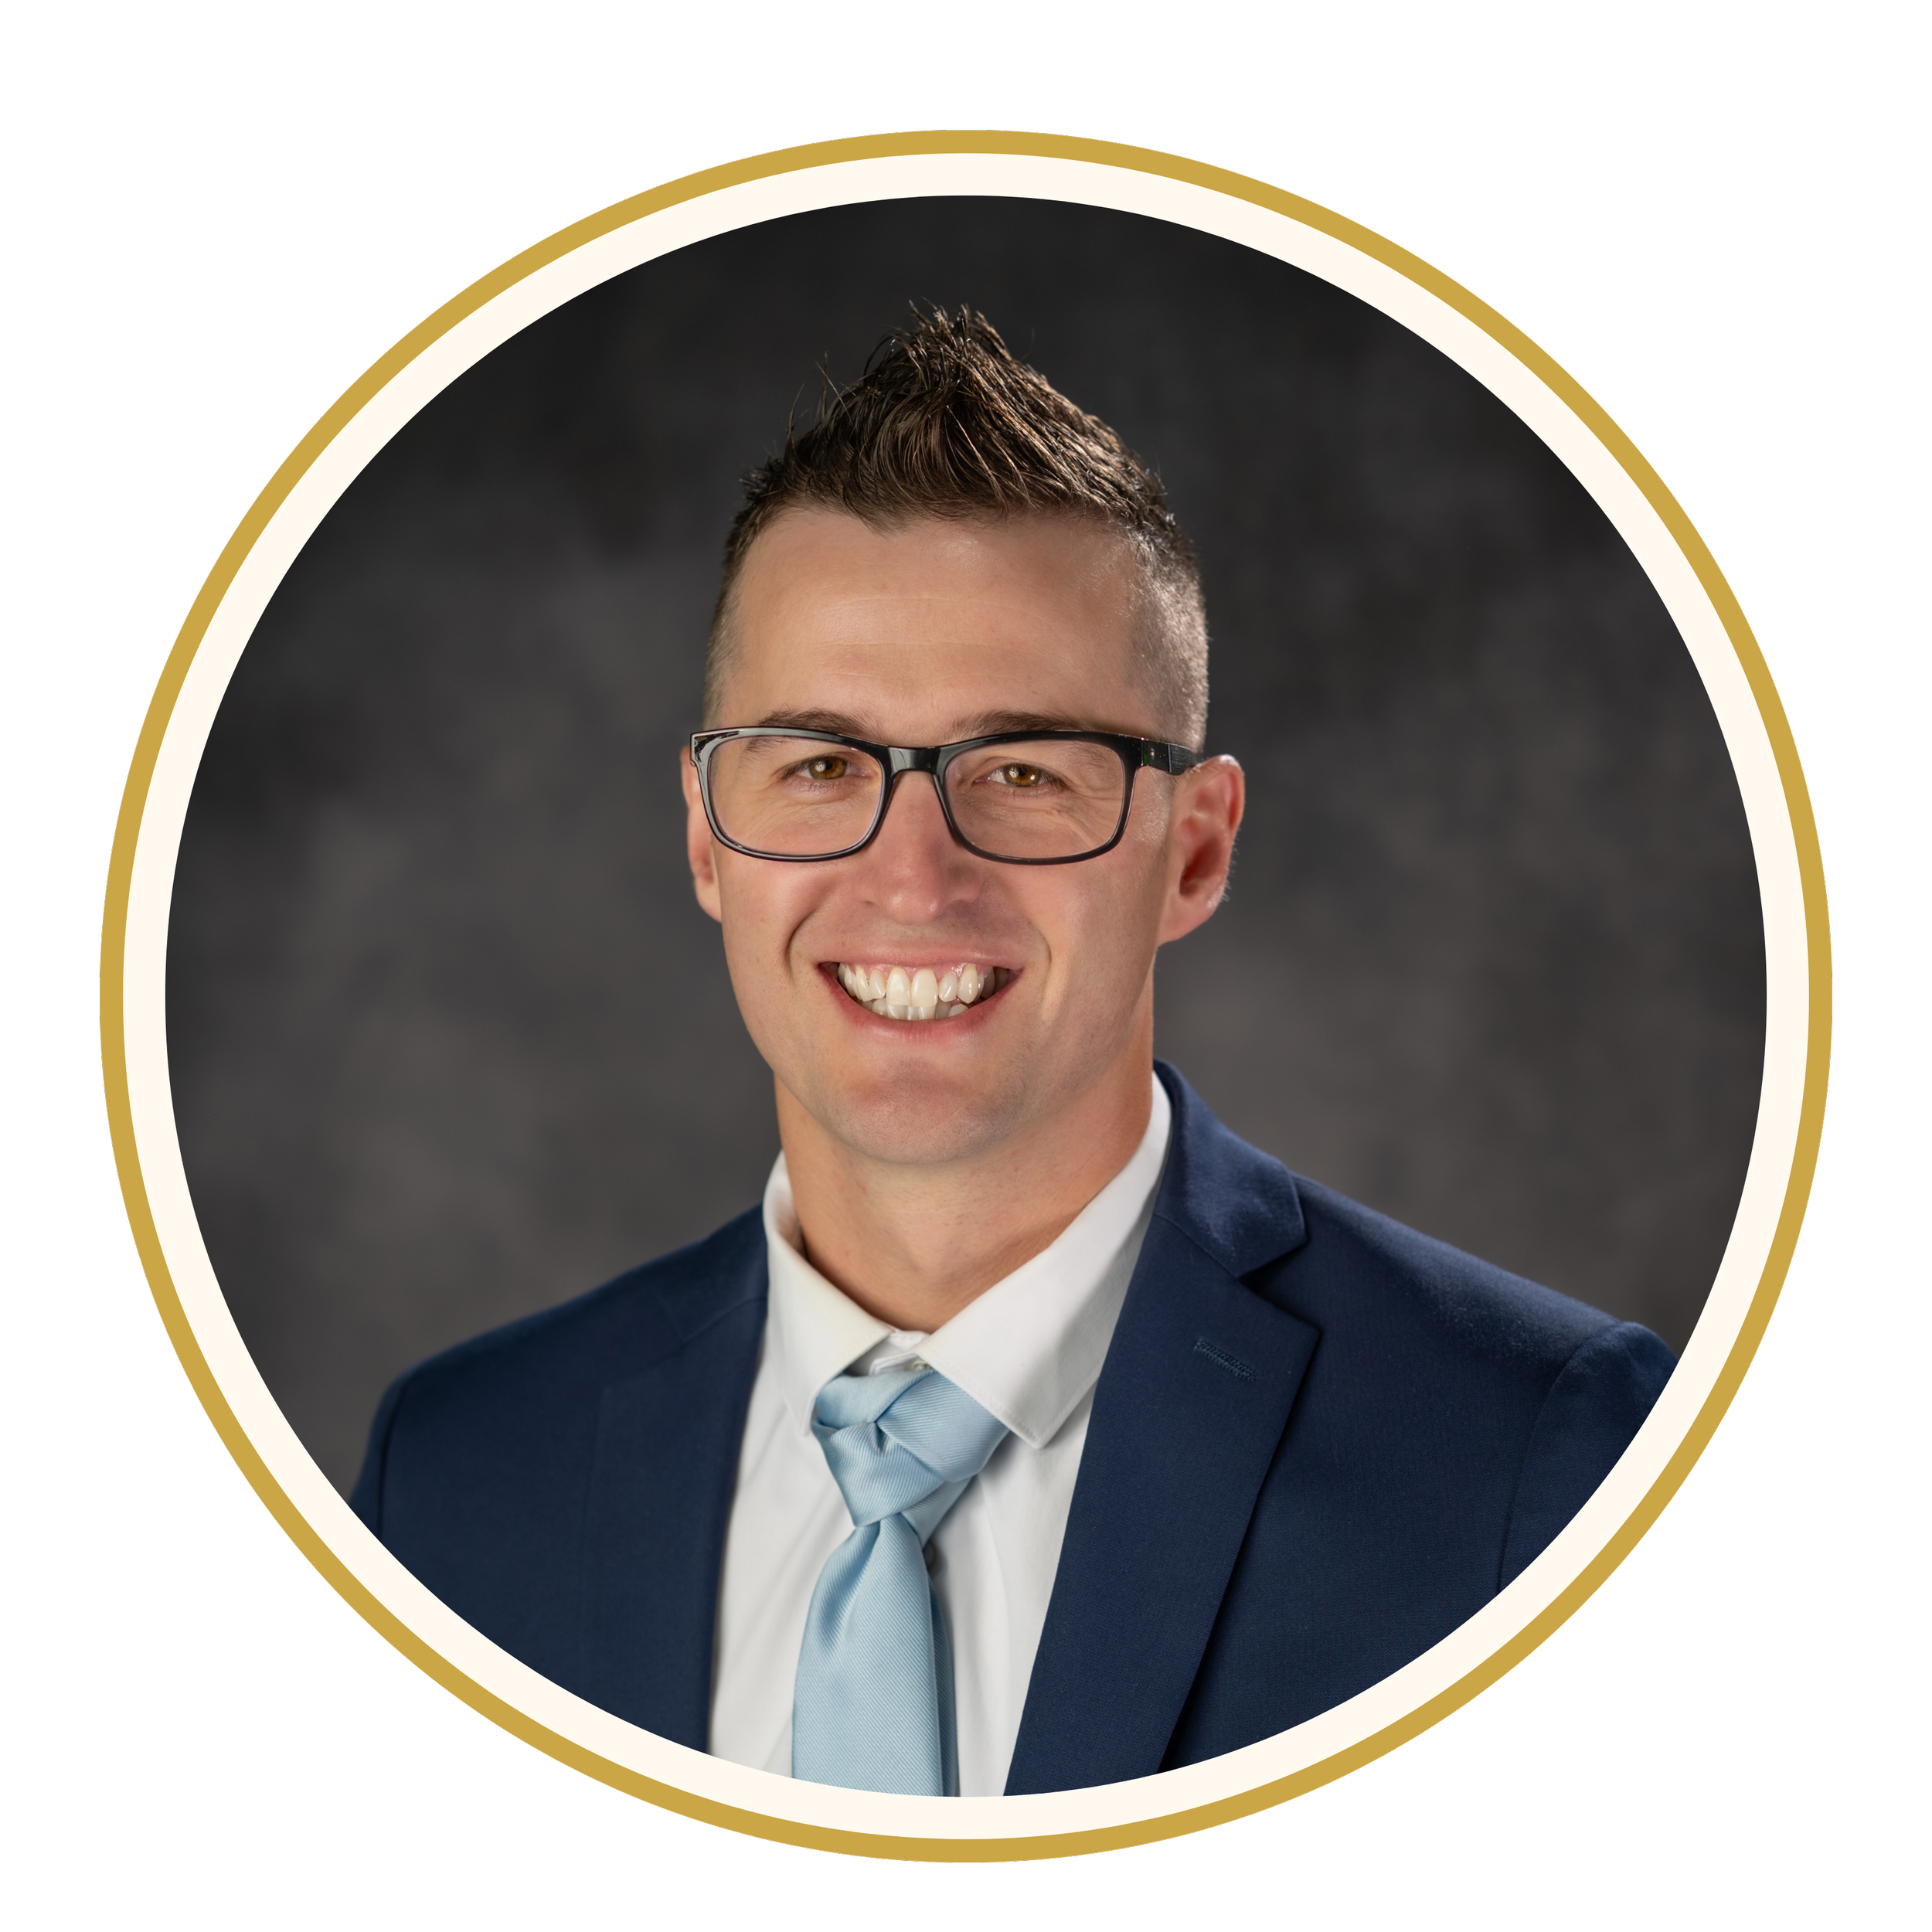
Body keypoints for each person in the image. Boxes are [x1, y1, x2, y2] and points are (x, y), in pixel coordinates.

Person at [352, 308, 1675, 1799]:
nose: (914, 880)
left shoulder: (1543, 1458)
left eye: (1026, 771)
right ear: (708, 834)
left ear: (1195, 848)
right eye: (822, 765)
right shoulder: (458, 1473)